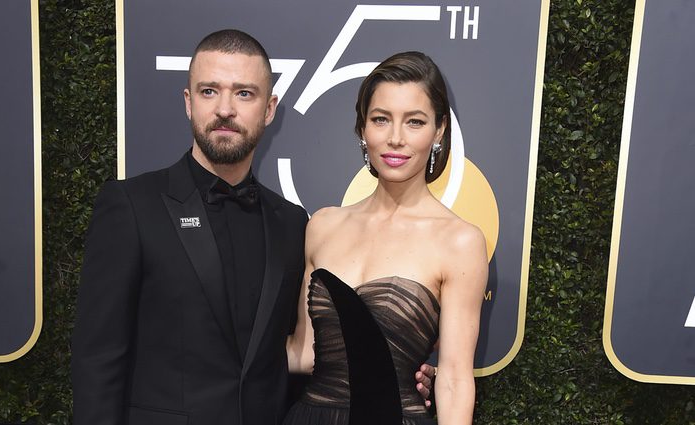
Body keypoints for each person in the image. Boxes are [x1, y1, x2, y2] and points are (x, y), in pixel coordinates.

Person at [72, 30, 434, 425]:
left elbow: (310, 351)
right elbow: (98, 358)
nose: (225, 109)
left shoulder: (292, 223)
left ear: (269, 109)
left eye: (244, 93)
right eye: (209, 91)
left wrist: (395, 374)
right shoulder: (131, 206)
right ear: (188, 103)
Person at [284, 51, 488, 425]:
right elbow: (304, 352)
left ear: (439, 130)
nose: (396, 139)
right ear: (363, 128)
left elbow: (456, 380)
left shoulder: (460, 241)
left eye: (415, 122)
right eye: (381, 119)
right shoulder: (323, 225)